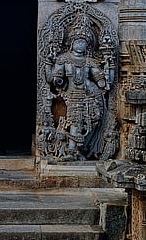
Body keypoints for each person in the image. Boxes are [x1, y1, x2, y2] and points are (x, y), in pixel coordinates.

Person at [46, 22, 110, 160]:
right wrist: (50, 66)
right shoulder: (63, 59)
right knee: (75, 121)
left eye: (83, 42)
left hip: (91, 95)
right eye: (78, 42)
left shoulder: (89, 61)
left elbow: (100, 79)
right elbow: (54, 78)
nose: (80, 45)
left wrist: (107, 69)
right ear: (72, 43)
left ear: (87, 45)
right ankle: (71, 152)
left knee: (93, 119)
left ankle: (80, 148)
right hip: (73, 95)